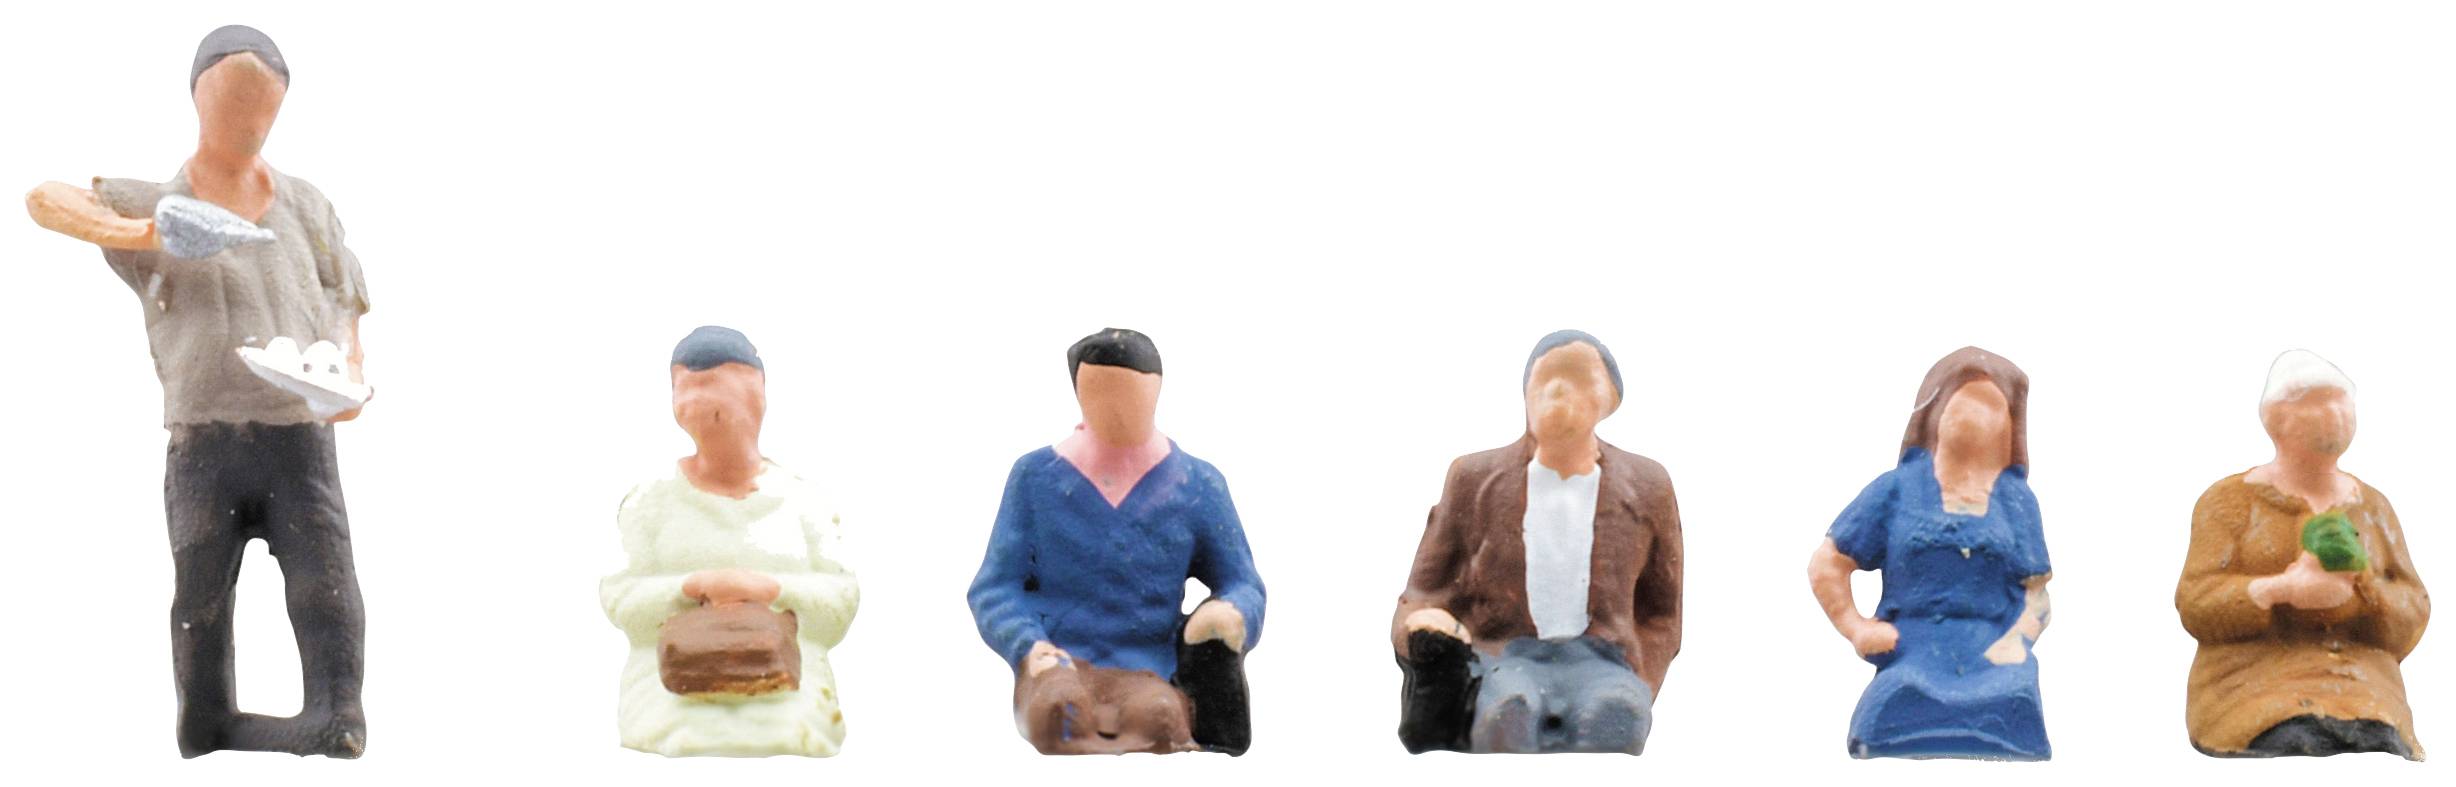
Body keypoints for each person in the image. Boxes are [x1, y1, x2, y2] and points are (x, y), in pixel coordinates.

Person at [22, 25, 372, 758]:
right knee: (201, 589)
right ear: (199, 100)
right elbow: (46, 198)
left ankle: (336, 713)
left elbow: (343, 293)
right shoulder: (160, 203)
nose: (249, 124)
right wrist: (153, 233)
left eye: (263, 109)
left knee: (325, 582)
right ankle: (207, 720)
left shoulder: (305, 205)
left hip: (298, 435)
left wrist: (348, 370)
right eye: (234, 106)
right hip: (203, 438)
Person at [967, 328, 1267, 755]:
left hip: (1150, 669)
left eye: (1133, 395)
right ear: (1080, 393)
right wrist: (1028, 645)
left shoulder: (1197, 484)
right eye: (1105, 394)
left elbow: (1242, 581)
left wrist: (1230, 613)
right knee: (1057, 718)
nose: (1120, 411)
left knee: (1158, 720)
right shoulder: (1035, 478)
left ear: (1155, 392)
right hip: (1059, 664)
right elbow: (995, 588)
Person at [1394, 330, 1684, 755]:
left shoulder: (1647, 485)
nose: (1559, 390)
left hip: (1603, 660)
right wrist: (1424, 626)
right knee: (1507, 719)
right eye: (1546, 378)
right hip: (1506, 656)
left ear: (1610, 399)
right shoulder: (1473, 479)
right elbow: (1424, 592)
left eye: (1580, 378)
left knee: (1614, 721)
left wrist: (1640, 679)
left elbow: (1662, 613)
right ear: (1526, 392)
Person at [601, 327, 860, 757]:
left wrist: (772, 590)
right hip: (670, 692)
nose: (701, 407)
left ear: (758, 397)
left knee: (793, 729)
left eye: (722, 393)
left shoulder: (803, 501)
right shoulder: (650, 502)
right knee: (681, 733)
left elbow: (841, 598)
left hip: (790, 689)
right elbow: (621, 597)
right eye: (688, 392)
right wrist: (692, 587)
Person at [2176, 350, 2428, 759]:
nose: (2336, 414)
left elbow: (2414, 606)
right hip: (2252, 685)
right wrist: (2280, 590)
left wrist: (2365, 589)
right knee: (2290, 733)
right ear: (2277, 419)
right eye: (2317, 403)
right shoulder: (2227, 502)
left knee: (2377, 740)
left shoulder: (2373, 507)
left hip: (2365, 688)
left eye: (2342, 402)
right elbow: (2195, 603)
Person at [1806, 347, 2052, 760]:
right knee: (1898, 695)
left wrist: (2017, 640)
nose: (1977, 417)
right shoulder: (1896, 489)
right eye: (1968, 401)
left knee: (2013, 697)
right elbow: (1827, 564)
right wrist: (1858, 628)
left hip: (1993, 655)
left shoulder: (2016, 500)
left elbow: (2038, 597)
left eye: (1992, 407)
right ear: (1935, 410)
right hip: (1911, 652)